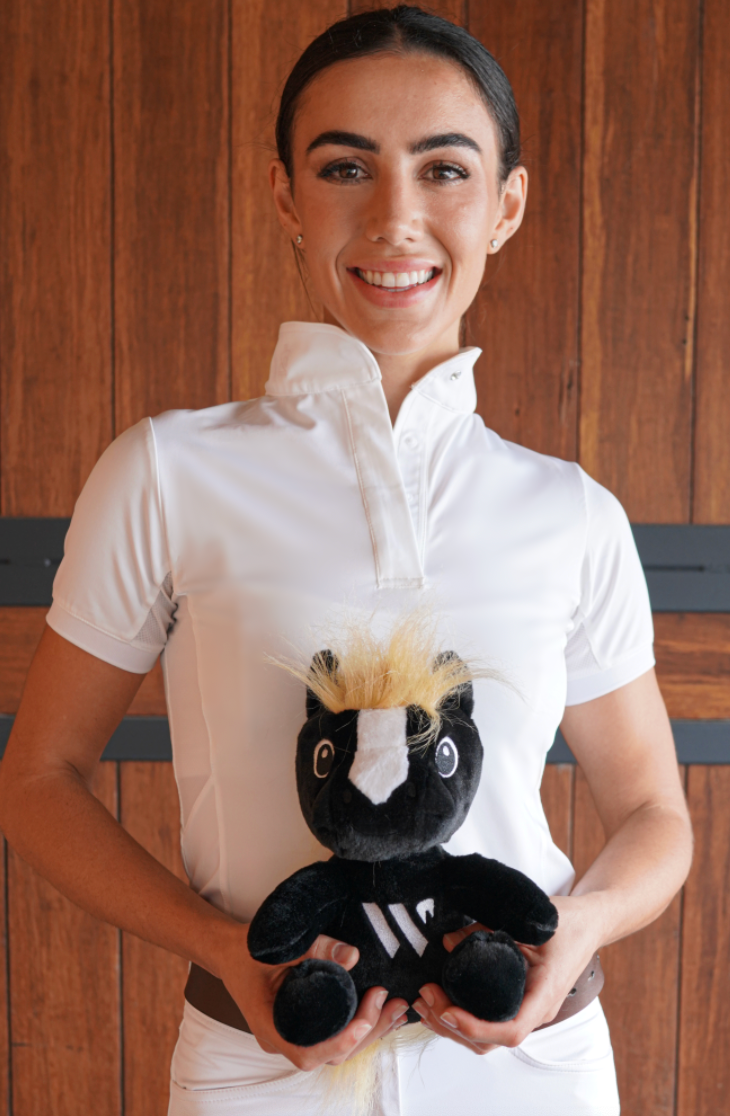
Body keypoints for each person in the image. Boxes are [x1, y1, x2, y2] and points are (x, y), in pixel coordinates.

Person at [0, 7, 692, 1115]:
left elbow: (654, 811)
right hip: (254, 1073)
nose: (395, 219)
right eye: (344, 167)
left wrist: (575, 938)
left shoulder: (570, 512)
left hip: (532, 1074)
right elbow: (38, 785)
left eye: (444, 170)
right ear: (284, 193)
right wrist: (226, 948)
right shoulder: (166, 472)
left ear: (505, 205)